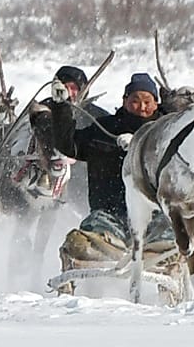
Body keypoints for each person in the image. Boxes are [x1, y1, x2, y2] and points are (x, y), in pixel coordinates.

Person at [49, 71, 161, 239]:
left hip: (156, 216)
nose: (142, 107)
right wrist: (61, 107)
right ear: (125, 101)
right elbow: (69, 146)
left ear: (156, 104)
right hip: (108, 216)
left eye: (147, 102)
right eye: (135, 101)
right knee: (81, 242)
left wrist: (139, 145)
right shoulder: (104, 129)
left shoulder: (166, 132)